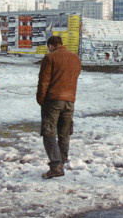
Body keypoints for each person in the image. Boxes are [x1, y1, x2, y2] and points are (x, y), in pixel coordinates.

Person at [37, 35, 82, 179]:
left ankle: (55, 166)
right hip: (70, 100)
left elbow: (43, 81)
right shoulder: (75, 58)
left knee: (49, 132)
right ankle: (62, 161)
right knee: (65, 132)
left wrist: (41, 99)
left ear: (50, 45)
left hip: (53, 100)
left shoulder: (50, 58)